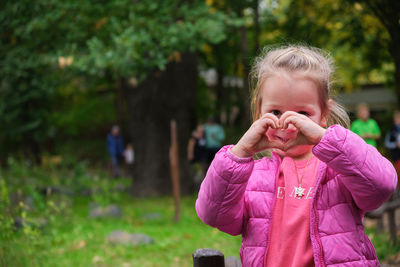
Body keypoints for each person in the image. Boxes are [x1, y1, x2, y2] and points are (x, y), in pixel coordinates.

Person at [195, 45, 397, 267]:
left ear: (324, 114)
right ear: (258, 111)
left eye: (303, 113)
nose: (289, 123)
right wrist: (240, 152)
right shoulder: (252, 175)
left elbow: (382, 185)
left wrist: (326, 140)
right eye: (275, 112)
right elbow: (213, 214)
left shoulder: (339, 169)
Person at [385, 110, 400, 186]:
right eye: (397, 118)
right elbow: (387, 144)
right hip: (396, 156)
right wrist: (395, 145)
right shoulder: (391, 130)